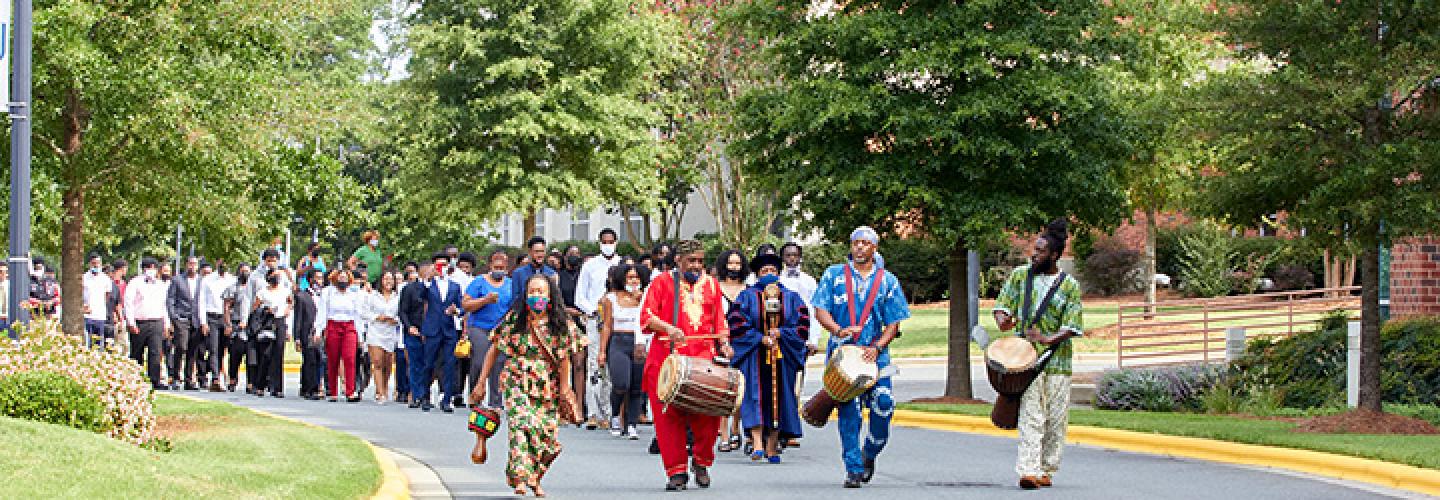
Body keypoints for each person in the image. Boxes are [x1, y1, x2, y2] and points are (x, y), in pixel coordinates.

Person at [811, 226, 911, 488]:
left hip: (875, 356)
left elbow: (893, 324)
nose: (860, 247)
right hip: (843, 357)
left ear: (874, 248)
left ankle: (870, 452)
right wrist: (837, 330)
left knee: (884, 404)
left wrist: (877, 347)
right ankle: (853, 469)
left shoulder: (888, 281)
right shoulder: (834, 275)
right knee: (850, 414)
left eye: (866, 243)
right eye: (856, 242)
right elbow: (820, 309)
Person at [471, 273, 586, 498]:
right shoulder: (515, 320)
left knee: (546, 438)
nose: (536, 297)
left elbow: (564, 359)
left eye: (540, 292)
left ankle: (535, 477)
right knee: (521, 426)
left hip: (547, 386)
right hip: (517, 381)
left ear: (550, 296)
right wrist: (481, 381)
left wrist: (565, 388)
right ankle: (521, 479)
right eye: (532, 292)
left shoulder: (561, 325)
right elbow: (494, 349)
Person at [994, 219, 1084, 490]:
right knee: (1031, 415)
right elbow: (1003, 305)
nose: (1034, 255)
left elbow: (1073, 325)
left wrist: (1047, 338)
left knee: (1055, 420)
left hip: (1058, 362)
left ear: (1055, 255)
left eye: (1041, 251)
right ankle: (1028, 470)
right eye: (1035, 249)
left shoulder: (1069, 286)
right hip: (1025, 361)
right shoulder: (1021, 276)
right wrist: (1003, 320)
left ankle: (1047, 468)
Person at [640, 239, 730, 491]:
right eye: (691, 261)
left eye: (700, 261)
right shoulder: (661, 282)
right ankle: (676, 471)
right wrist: (669, 328)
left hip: (703, 359)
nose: (696, 266)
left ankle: (701, 462)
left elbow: (720, 324)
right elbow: (647, 317)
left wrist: (724, 343)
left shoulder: (712, 285)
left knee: (708, 416)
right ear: (678, 261)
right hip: (667, 360)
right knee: (668, 419)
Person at [727, 253, 809, 463]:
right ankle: (756, 444)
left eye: (773, 271)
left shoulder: (791, 297)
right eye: (764, 271)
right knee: (754, 397)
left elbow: (801, 325)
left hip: (782, 357)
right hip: (753, 355)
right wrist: (758, 338)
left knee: (779, 398)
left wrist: (783, 334)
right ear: (757, 274)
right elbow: (736, 324)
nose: (769, 275)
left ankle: (772, 445)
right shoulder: (746, 296)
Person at [574, 229, 625, 426]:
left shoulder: (621, 265)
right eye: (605, 241)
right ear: (599, 243)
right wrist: (594, 311)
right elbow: (580, 297)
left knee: (613, 369)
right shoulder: (590, 266)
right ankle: (593, 413)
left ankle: (608, 412)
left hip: (618, 322)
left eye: (611, 241)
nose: (608, 244)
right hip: (596, 321)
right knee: (595, 365)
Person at [596, 264, 649, 439]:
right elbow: (607, 326)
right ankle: (615, 416)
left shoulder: (646, 298)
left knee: (636, 386)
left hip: (639, 342)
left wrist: (641, 299)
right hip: (618, 341)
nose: (633, 281)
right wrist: (602, 351)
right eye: (629, 278)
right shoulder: (611, 298)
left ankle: (631, 423)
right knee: (621, 383)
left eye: (636, 278)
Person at [462, 250, 513, 408]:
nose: (499, 269)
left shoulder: (510, 284)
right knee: (479, 360)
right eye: (496, 266)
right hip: (479, 327)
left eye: (502, 267)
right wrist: (485, 300)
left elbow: (514, 307)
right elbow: (466, 304)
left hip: (500, 329)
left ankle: (495, 402)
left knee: (499, 363)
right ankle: (475, 395)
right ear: (490, 265)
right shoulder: (479, 282)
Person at [416, 252, 464, 412]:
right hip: (432, 328)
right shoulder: (429, 284)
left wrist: (456, 310)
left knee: (449, 365)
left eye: (444, 265)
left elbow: (461, 307)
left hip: (449, 329)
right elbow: (420, 297)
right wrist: (427, 279)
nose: (441, 268)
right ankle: (424, 397)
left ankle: (446, 399)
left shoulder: (455, 286)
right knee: (428, 363)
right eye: (438, 265)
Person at [713, 249, 748, 453]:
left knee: (740, 389)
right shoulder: (714, 288)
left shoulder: (748, 289)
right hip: (720, 342)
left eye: (737, 264)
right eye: (730, 263)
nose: (733, 267)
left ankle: (737, 429)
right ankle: (723, 434)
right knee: (722, 389)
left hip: (743, 343)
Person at [316, 269, 364, 402]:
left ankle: (350, 391)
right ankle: (332, 391)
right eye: (340, 278)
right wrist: (319, 330)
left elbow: (358, 315)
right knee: (333, 359)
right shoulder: (327, 293)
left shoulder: (354, 294)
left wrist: (360, 336)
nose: (342, 280)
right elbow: (322, 312)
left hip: (349, 326)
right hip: (333, 325)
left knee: (349, 358)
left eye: (345, 278)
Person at [125, 258, 172, 390]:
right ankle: (136, 379)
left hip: (156, 321)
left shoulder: (160, 285)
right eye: (149, 267)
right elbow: (128, 303)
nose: (152, 271)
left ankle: (154, 380)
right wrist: (131, 322)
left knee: (156, 352)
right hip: (140, 322)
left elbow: (163, 305)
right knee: (137, 352)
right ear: (144, 269)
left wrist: (166, 324)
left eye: (154, 268)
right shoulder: (135, 283)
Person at [252, 267, 293, 398]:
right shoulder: (262, 292)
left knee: (278, 355)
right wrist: (265, 310)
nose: (276, 278)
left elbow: (291, 303)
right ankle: (260, 385)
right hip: (267, 323)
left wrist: (287, 309)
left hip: (280, 322)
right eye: (274, 276)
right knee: (266, 355)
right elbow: (255, 308)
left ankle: (278, 388)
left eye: (278, 276)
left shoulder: (285, 291)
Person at [365, 271, 403, 404]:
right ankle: (380, 392)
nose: (388, 282)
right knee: (377, 362)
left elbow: (401, 313)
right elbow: (365, 312)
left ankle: (384, 387)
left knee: (387, 364)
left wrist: (395, 320)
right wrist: (377, 317)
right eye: (386, 279)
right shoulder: (373, 296)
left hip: (390, 333)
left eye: (391, 279)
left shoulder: (397, 297)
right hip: (375, 331)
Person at [168, 257, 203, 390]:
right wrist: (174, 317)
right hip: (181, 318)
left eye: (195, 264)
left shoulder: (201, 281)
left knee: (192, 350)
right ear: (186, 264)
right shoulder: (177, 280)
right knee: (181, 346)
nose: (192, 266)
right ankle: (176, 377)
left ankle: (189, 380)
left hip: (196, 320)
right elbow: (171, 299)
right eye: (190, 264)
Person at [400, 263, 431, 408]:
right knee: (415, 364)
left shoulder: (437, 288)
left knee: (429, 365)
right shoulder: (410, 289)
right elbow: (403, 311)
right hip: (414, 331)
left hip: (432, 333)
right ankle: (417, 395)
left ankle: (426, 395)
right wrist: (409, 327)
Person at [451, 252, 478, 408]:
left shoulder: (474, 283)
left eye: (467, 267)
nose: (464, 270)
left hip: (469, 325)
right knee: (458, 361)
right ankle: (457, 392)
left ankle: (472, 393)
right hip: (455, 325)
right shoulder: (455, 281)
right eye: (462, 267)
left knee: (471, 362)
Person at [222, 264, 253, 393]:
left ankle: (251, 382)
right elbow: (226, 307)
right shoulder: (233, 288)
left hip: (251, 326)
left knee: (251, 356)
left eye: (247, 271)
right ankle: (233, 379)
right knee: (235, 354)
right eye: (243, 271)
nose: (245, 273)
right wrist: (228, 324)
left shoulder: (254, 289)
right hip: (237, 325)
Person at [293, 268, 324, 399]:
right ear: (310, 280)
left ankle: (317, 386)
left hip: (321, 332)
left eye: (321, 278)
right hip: (308, 333)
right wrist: (297, 338)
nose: (320, 281)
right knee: (309, 360)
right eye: (317, 278)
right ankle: (308, 388)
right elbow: (298, 318)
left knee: (320, 360)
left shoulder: (324, 295)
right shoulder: (302, 296)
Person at [198, 261, 228, 391]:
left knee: (222, 349)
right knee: (213, 348)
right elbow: (202, 302)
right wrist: (203, 322)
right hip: (211, 317)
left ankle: (220, 375)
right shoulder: (208, 280)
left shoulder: (232, 280)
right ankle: (215, 379)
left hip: (225, 318)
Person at [511, 237, 558, 306]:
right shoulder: (518, 273)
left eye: (542, 251)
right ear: (530, 252)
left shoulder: (551, 274)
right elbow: (515, 299)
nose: (540, 255)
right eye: (537, 251)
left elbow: (555, 299)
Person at [395, 270, 418, 404]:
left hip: (423, 331)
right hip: (406, 330)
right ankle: (406, 391)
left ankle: (415, 391)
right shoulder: (406, 291)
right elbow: (402, 311)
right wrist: (409, 326)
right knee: (406, 362)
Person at [83, 254, 113, 349]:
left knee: (99, 343)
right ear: (89, 264)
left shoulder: (106, 279)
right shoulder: (84, 278)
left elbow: (107, 295)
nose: (96, 266)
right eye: (94, 263)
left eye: (98, 263)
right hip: (87, 315)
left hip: (100, 315)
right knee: (88, 343)